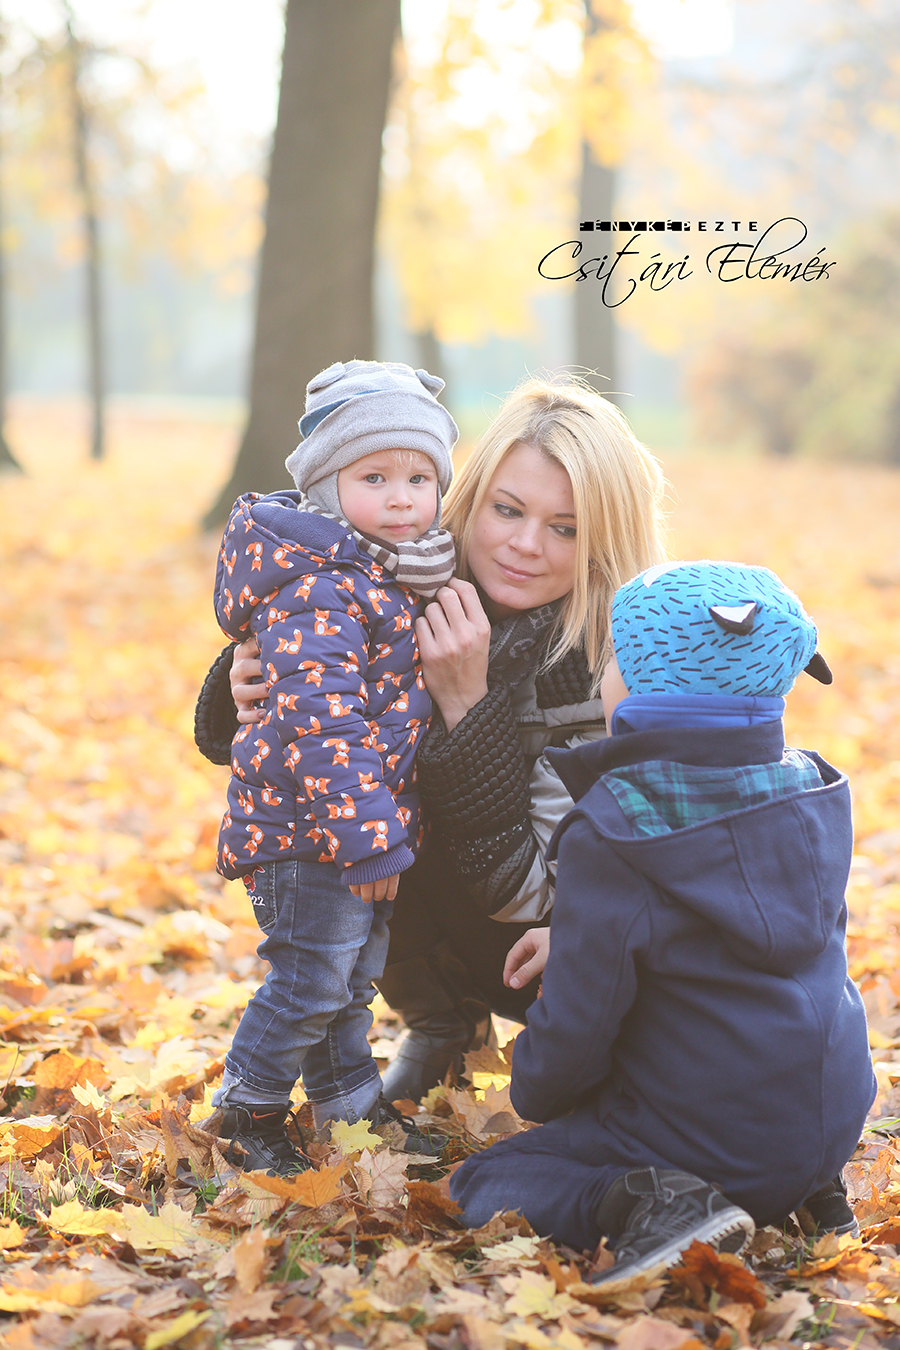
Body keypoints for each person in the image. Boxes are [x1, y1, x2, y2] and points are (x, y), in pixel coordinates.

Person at [201, 377, 669, 1106]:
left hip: (561, 945)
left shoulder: (610, 663)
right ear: (468, 499)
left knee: (390, 818)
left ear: (603, 543)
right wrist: (244, 681)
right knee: (360, 813)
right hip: (446, 912)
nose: (524, 545)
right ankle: (441, 1024)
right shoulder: (403, 579)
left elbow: (534, 891)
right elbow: (317, 707)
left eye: (566, 529)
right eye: (507, 510)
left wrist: (467, 707)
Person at [449, 561, 875, 1278]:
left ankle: (664, 1202)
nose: (604, 674)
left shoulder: (618, 830)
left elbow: (580, 1031)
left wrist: (533, 1089)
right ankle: (811, 1190)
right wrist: (574, 932)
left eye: (615, 658)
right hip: (828, 1121)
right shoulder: (808, 789)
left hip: (713, 1144)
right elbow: (731, 922)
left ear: (646, 687)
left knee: (485, 1180)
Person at [203, 359, 458, 1175]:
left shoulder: (381, 572)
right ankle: (246, 1110)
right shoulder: (318, 586)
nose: (401, 498)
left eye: (419, 478)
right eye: (374, 477)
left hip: (340, 829)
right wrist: (371, 840)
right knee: (310, 982)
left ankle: (349, 1109)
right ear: (324, 488)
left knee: (349, 983)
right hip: (307, 832)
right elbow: (323, 726)